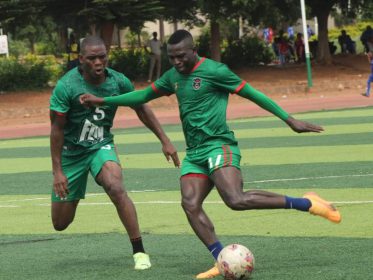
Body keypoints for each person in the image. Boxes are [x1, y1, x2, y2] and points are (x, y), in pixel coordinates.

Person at [80, 30, 342, 279]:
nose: (177, 61)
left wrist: (289, 119)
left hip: (219, 145)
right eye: (172, 57)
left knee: (235, 199)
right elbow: (143, 95)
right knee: (190, 204)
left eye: (182, 55)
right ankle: (220, 259)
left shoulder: (215, 71)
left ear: (194, 50)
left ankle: (307, 203)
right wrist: (103, 101)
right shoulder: (172, 76)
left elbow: (254, 94)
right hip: (195, 153)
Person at [50, 36, 179, 271]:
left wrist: (165, 140)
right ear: (81, 59)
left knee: (116, 186)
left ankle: (139, 251)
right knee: (60, 223)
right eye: (92, 58)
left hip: (101, 145)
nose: (98, 62)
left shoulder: (118, 81)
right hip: (72, 154)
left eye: (102, 57)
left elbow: (141, 107)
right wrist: (58, 171)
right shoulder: (66, 86)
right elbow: (56, 129)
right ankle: (75, 192)